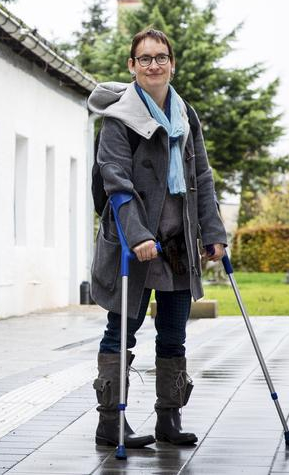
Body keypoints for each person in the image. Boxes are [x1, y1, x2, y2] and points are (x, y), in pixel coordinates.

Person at [87, 28, 227, 448]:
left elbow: (200, 175)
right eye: (144, 58)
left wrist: (213, 231)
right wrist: (138, 236)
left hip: (177, 245)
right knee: (121, 331)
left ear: (172, 63)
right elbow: (117, 183)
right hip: (134, 245)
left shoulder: (186, 116)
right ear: (132, 66)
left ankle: (169, 418)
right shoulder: (120, 118)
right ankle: (110, 422)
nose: (153, 65)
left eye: (160, 57)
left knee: (173, 333)